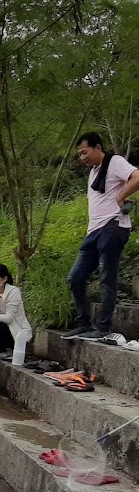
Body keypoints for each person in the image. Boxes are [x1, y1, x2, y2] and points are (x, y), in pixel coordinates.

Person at [66, 133, 138, 339]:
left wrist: (121, 196)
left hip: (112, 227)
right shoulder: (93, 173)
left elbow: (137, 176)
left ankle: (103, 327)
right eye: (80, 154)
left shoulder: (114, 162)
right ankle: (84, 323)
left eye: (85, 152)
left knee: (107, 277)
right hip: (93, 231)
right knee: (75, 278)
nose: (82, 158)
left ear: (98, 148)